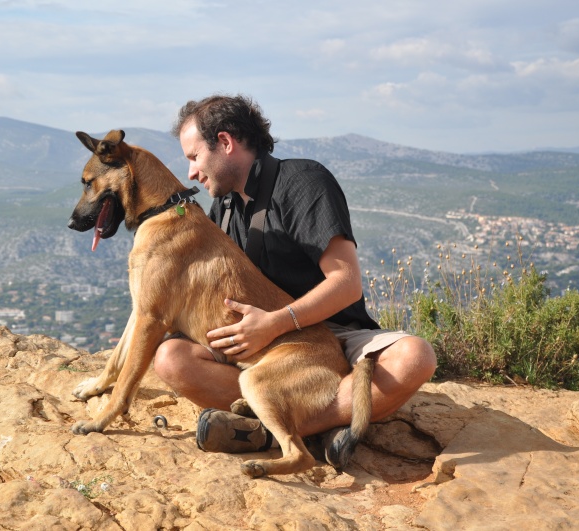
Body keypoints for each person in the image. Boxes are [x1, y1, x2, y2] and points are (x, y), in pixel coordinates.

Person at [153, 94, 437, 466]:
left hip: (331, 330)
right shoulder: (222, 207)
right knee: (172, 359)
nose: (191, 172)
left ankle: (270, 430)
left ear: (225, 142)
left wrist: (275, 323)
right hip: (264, 349)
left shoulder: (302, 182)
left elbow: (346, 282)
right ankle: (320, 425)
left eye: (194, 157)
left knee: (415, 356)